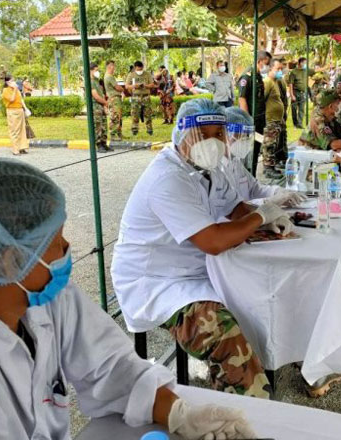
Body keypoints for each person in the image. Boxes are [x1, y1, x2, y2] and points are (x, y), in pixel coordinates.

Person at [0, 158, 257, 440]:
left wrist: (182, 414)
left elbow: (110, 365)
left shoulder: (39, 295)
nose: (67, 247)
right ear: (9, 256)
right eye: (54, 239)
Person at [112, 99, 297, 401]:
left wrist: (265, 220)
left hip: (195, 270)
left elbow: (235, 207)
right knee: (224, 333)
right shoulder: (167, 178)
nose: (213, 142)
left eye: (219, 134)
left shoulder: (208, 169)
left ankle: (256, 373)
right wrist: (261, 216)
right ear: (181, 134)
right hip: (157, 283)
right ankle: (248, 410)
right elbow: (213, 241)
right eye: (203, 133)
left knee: (264, 295)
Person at [222, 106, 307, 204]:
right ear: (225, 135)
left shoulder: (235, 162)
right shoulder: (218, 169)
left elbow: (255, 188)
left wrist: (278, 191)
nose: (244, 141)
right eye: (240, 137)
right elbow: (233, 208)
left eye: (247, 137)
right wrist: (269, 201)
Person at [239, 50, 272, 176]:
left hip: (259, 119)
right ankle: (247, 176)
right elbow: (242, 99)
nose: (267, 66)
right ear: (259, 61)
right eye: (266, 63)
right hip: (251, 120)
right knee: (249, 151)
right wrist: (248, 120)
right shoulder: (247, 76)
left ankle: (252, 177)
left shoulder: (258, 76)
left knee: (256, 149)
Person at [299, 89, 341, 156]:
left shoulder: (327, 115)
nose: (340, 105)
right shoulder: (319, 122)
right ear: (330, 106)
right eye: (338, 103)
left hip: (321, 154)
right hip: (310, 157)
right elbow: (334, 144)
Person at [261, 59, 287, 179]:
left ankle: (275, 163)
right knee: (269, 144)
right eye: (278, 69)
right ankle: (268, 168)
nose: (280, 71)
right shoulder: (267, 82)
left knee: (276, 143)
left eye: (281, 69)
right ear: (270, 68)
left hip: (278, 118)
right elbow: (262, 100)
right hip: (270, 119)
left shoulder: (276, 82)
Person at [125, 61, 156, 136]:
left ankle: (149, 130)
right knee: (135, 114)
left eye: (141, 69)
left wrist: (146, 86)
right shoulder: (131, 75)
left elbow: (152, 84)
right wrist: (134, 86)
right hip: (136, 96)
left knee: (148, 114)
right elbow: (126, 86)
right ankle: (135, 130)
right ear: (135, 68)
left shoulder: (147, 74)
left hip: (146, 96)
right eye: (138, 69)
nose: (140, 71)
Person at [1, 75, 29, 155]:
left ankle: (22, 147)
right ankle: (15, 149)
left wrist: (25, 108)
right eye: (12, 81)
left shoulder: (16, 90)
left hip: (20, 110)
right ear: (7, 82)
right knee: (15, 130)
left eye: (14, 80)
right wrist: (15, 89)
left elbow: (20, 99)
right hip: (12, 111)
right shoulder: (5, 90)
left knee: (22, 129)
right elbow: (12, 99)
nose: (14, 82)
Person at [89, 63, 112, 153]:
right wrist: (106, 103)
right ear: (90, 70)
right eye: (96, 70)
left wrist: (105, 104)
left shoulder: (97, 81)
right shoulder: (90, 82)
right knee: (98, 126)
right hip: (96, 107)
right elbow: (96, 96)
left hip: (101, 106)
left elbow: (101, 94)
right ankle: (99, 145)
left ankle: (104, 143)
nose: (97, 72)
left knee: (103, 126)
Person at [288, 57, 313, 128]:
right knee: (294, 109)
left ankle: (299, 124)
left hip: (303, 93)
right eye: (304, 63)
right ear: (299, 63)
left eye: (305, 63)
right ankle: (295, 123)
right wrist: (292, 95)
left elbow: (316, 70)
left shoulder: (306, 71)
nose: (305, 64)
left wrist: (326, 67)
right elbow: (290, 84)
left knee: (302, 109)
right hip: (295, 92)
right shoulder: (293, 72)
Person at [104, 60, 124, 141]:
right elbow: (117, 87)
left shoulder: (108, 76)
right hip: (114, 98)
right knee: (115, 116)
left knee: (118, 116)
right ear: (109, 66)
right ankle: (113, 134)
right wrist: (123, 89)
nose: (114, 68)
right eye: (113, 66)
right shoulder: (109, 76)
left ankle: (119, 134)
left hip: (114, 98)